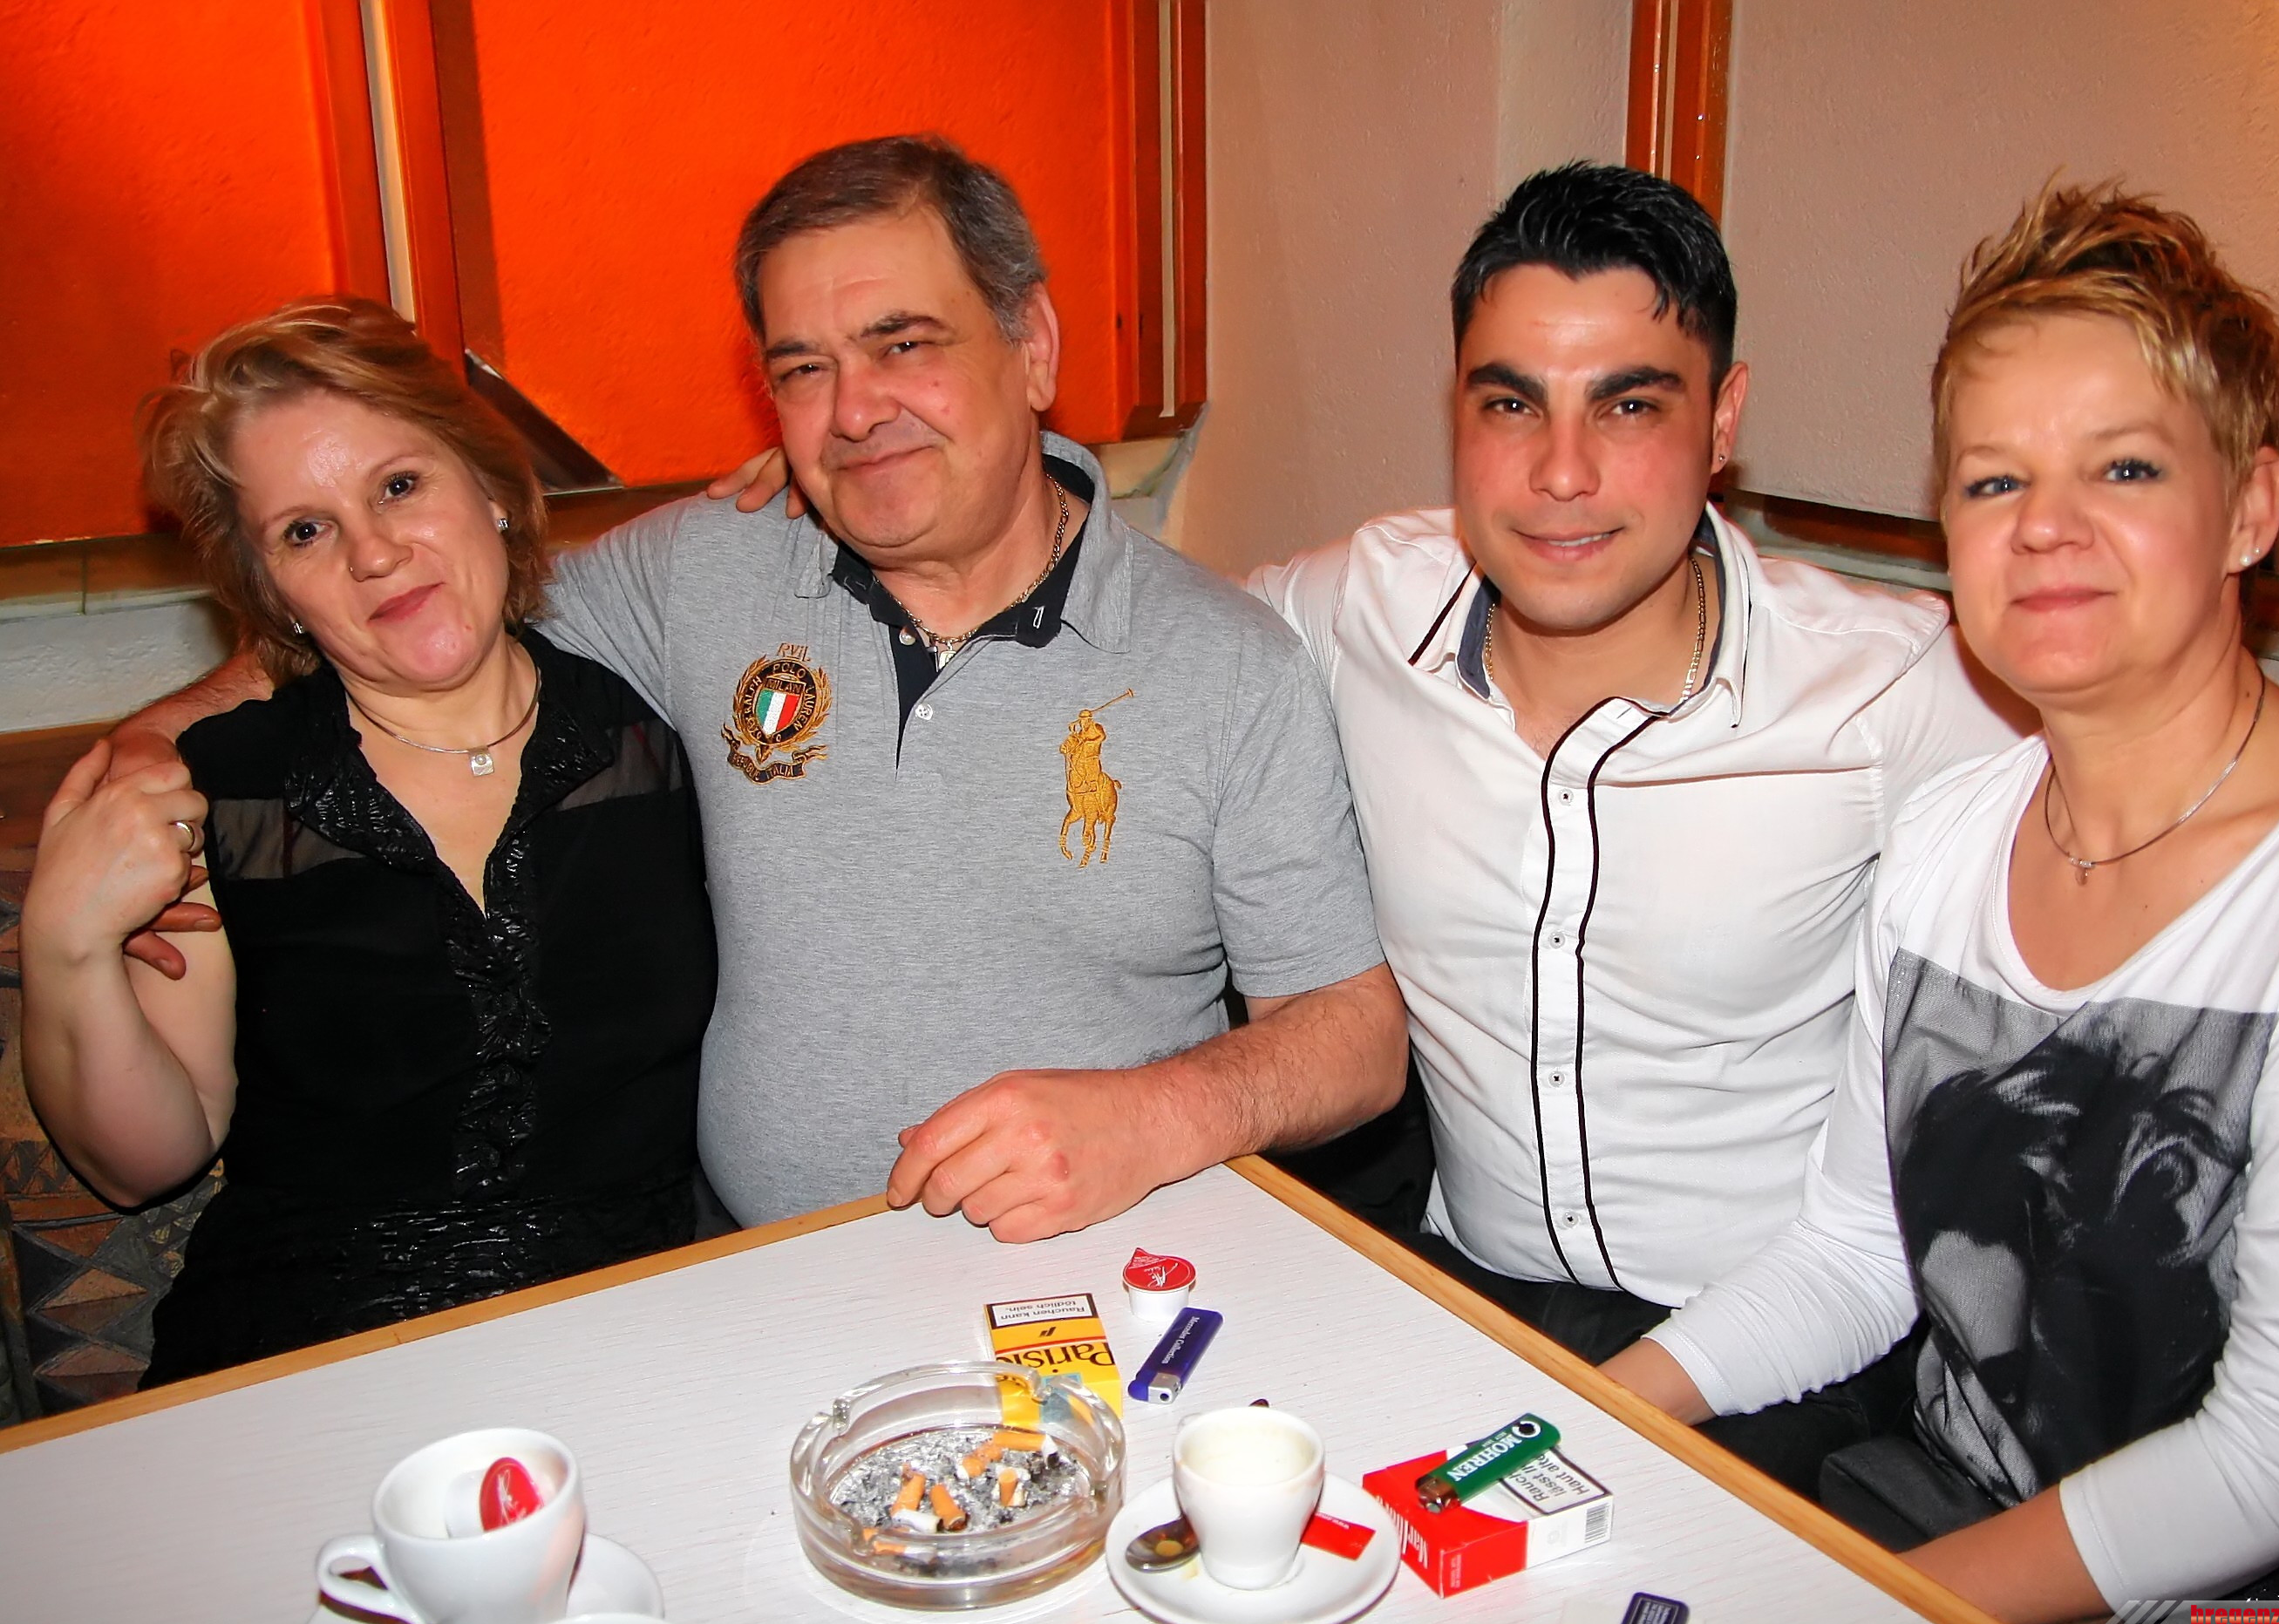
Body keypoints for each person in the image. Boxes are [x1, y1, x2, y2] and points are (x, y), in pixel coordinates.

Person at [113, 136, 1406, 1240]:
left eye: (903, 344)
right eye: (803, 370)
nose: (854, 412)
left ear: (1032, 345)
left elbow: (1353, 1031)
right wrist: (148, 753)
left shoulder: (1228, 664)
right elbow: (410, 601)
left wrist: (1155, 1115)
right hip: (743, 1280)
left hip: (1099, 1267)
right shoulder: (704, 572)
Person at [1612, 184, 2279, 1624]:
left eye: (2123, 469)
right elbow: (1853, 1256)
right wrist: (1578, 1405)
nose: (2047, 528)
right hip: (1960, 1507)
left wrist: (1855, 1610)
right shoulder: (1950, 842)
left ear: (2252, 507)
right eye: (1995, 482)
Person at [1242, 163, 2023, 1493]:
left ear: (1724, 420)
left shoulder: (1898, 693)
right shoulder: (1360, 606)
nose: (1561, 473)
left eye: (1629, 405)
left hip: (1781, 1357)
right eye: (1510, 404)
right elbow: (1146, 646)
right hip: (1457, 1291)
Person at [21, 299, 718, 1382]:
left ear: (490, 488)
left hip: (630, 1337)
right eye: (304, 531)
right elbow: (143, 1160)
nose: (375, 553)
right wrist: (64, 942)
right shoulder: (226, 791)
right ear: (272, 592)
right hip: (307, 1351)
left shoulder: (664, 737)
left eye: (398, 485)